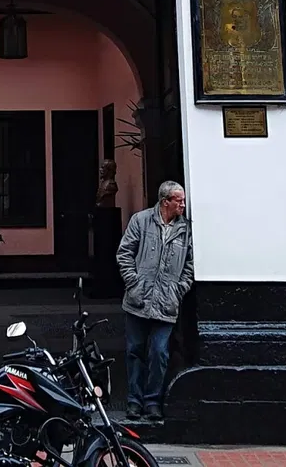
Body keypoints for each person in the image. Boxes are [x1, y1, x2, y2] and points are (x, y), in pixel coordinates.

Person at [114, 180, 192, 420]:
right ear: (164, 201)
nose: (183, 204)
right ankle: (134, 401)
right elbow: (124, 253)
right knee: (134, 351)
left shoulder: (185, 229)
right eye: (178, 200)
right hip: (138, 299)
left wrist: (179, 289)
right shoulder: (141, 220)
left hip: (166, 303)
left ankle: (152, 401)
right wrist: (134, 282)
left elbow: (189, 264)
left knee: (159, 352)